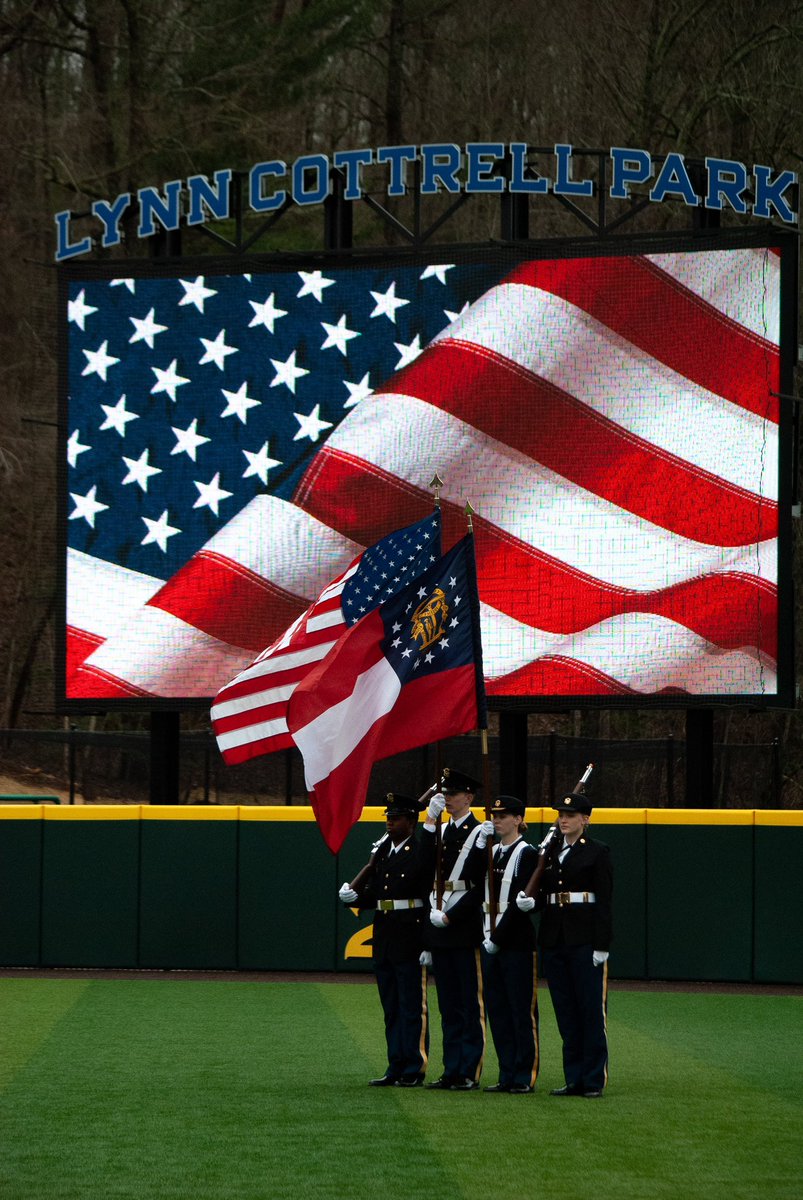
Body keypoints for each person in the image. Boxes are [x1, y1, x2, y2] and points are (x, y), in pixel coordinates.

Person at [518, 790, 612, 1099]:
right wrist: (529, 902)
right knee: (566, 1012)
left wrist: (602, 943)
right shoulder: (552, 851)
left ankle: (593, 1079)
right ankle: (574, 1078)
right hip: (555, 939)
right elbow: (545, 895)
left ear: (585, 820)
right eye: (561, 816)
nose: (564, 820)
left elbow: (604, 902)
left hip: (584, 939)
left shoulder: (597, 852)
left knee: (589, 1010)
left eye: (570, 816)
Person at [338, 792, 431, 1088]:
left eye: (396, 818)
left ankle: (414, 1067)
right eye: (388, 819)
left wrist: (428, 941)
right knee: (391, 1007)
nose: (390, 823)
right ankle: (396, 1065)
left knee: (411, 1006)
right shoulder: (383, 852)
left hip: (410, 934)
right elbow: (378, 894)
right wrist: (355, 899)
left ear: (411, 822)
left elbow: (428, 896)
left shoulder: (419, 850)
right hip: (385, 935)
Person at [420, 767, 485, 1091]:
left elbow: (480, 885)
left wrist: (452, 917)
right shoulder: (440, 830)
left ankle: (469, 1069)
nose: (447, 798)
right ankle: (451, 1068)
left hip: (463, 924)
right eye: (445, 793)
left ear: (469, 797)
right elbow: (423, 864)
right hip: (439, 921)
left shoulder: (479, 831)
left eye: (454, 794)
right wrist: (429, 825)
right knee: (447, 1003)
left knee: (468, 1003)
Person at [469, 795, 540, 1094]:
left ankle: (524, 1074)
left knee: (520, 1009)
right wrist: (477, 845)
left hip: (515, 942)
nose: (497, 820)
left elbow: (520, 902)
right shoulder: (491, 851)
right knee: (497, 1009)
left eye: (504, 815)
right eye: (494, 815)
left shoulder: (527, 854)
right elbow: (472, 879)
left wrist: (497, 939)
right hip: (489, 938)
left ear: (518, 820)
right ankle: (506, 1071)